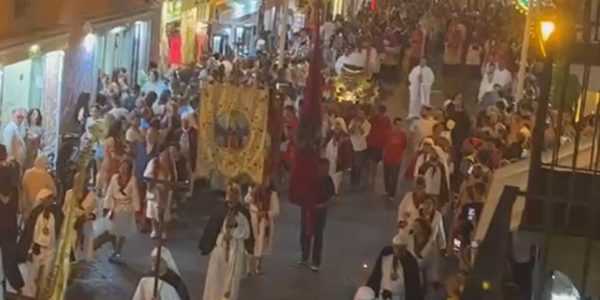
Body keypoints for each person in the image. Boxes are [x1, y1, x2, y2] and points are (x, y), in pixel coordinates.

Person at [200, 181, 252, 300]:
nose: (232, 196)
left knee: (231, 281)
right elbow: (212, 228)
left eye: (234, 193)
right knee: (215, 278)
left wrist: (236, 225)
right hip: (220, 247)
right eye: (230, 193)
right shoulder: (220, 209)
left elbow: (247, 233)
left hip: (235, 248)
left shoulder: (243, 212)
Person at [17, 189, 63, 298]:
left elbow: (61, 230)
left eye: (50, 199)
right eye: (46, 199)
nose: (49, 201)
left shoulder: (57, 213)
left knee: (47, 276)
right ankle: (30, 296)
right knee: (33, 275)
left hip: (51, 249)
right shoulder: (36, 213)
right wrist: (30, 249)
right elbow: (29, 232)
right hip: (37, 248)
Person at [298, 159, 335, 271]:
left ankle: (316, 261)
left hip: (320, 213)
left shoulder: (328, 181)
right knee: (305, 234)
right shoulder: (309, 179)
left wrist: (320, 206)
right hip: (307, 211)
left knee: (318, 236)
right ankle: (305, 255)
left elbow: (330, 198)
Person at [365, 233, 423, 300]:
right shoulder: (385, 257)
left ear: (405, 248)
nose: (398, 251)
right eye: (396, 247)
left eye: (401, 248)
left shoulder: (410, 264)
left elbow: (414, 287)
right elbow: (375, 277)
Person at [104, 160, 140, 264]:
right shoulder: (114, 178)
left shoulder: (133, 180)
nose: (124, 169)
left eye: (126, 167)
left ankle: (117, 251)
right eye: (122, 167)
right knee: (113, 231)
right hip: (115, 208)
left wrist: (137, 208)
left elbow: (135, 194)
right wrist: (107, 205)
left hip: (127, 209)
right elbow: (110, 191)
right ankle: (115, 249)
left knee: (123, 232)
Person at [0, 144, 24, 294]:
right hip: (9, 223)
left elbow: (6, 198)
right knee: (9, 257)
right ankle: (17, 287)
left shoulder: (6, 172)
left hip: (3, 221)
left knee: (8, 257)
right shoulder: (12, 171)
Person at [244, 183, 280, 274]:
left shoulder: (272, 194)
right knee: (250, 243)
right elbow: (246, 200)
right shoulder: (252, 189)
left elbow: (276, 210)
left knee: (262, 244)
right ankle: (248, 268)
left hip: (264, 222)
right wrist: (252, 192)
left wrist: (266, 214)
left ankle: (258, 265)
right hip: (252, 220)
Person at [63, 172, 97, 262]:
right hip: (71, 226)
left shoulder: (91, 195)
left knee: (83, 251)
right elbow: (64, 209)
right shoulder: (69, 193)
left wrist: (87, 217)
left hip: (85, 226)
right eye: (77, 181)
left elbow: (95, 210)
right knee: (70, 248)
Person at [144, 145, 176, 239]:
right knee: (153, 210)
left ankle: (163, 231)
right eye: (165, 153)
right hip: (154, 190)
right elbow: (147, 175)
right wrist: (154, 185)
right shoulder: (153, 162)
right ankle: (154, 229)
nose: (166, 155)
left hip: (166, 191)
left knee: (165, 210)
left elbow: (174, 177)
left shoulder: (171, 164)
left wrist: (168, 186)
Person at [324, 118, 352, 195]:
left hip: (339, 157)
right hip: (330, 156)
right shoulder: (331, 133)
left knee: (338, 174)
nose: (337, 126)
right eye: (336, 124)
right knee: (330, 172)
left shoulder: (345, 136)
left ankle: (336, 189)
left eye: (339, 124)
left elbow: (347, 150)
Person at [367, 105, 392, 186]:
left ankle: (371, 177)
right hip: (377, 143)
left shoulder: (375, 118)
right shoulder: (384, 120)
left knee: (373, 161)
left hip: (374, 143)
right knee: (374, 161)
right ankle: (372, 178)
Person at [382, 118, 407, 199]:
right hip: (387, 157)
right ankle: (387, 190)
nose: (399, 126)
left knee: (394, 176)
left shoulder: (403, 135)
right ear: (394, 125)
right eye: (398, 124)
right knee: (387, 175)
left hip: (397, 159)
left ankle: (392, 192)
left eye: (401, 125)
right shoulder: (388, 133)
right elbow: (384, 144)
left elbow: (404, 145)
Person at [348, 109, 371, 189]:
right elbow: (350, 132)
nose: (359, 116)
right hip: (352, 145)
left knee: (358, 166)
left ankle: (357, 182)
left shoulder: (367, 124)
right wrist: (354, 125)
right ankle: (352, 182)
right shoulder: (353, 122)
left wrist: (360, 126)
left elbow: (363, 134)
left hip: (361, 147)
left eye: (361, 114)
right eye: (358, 114)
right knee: (352, 165)